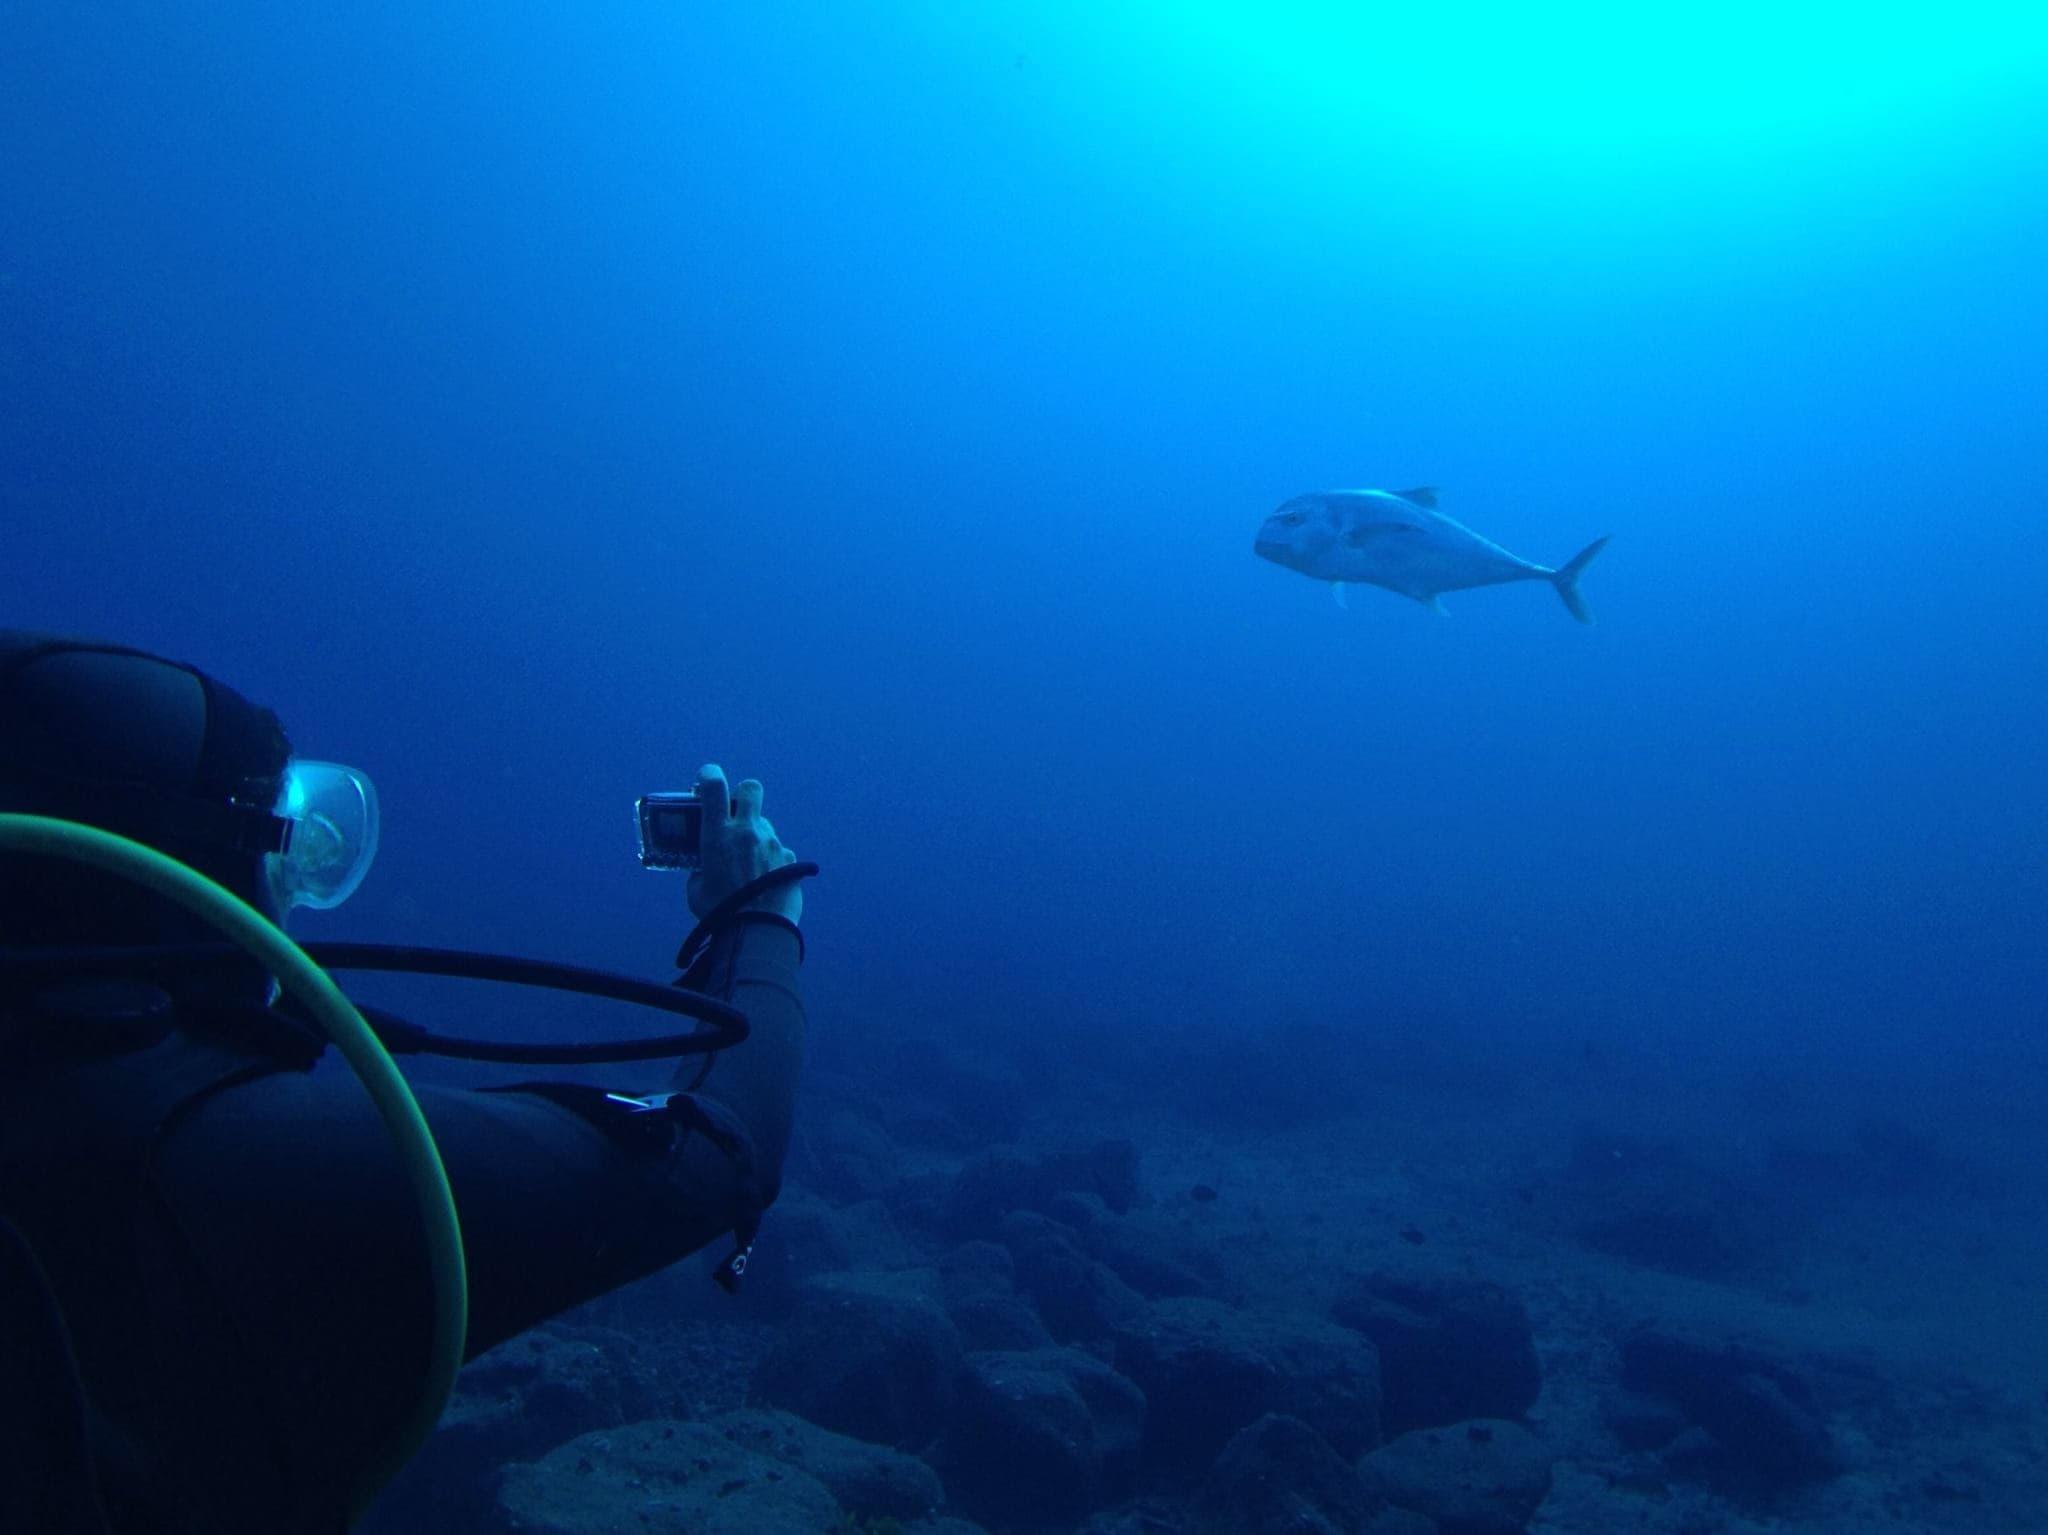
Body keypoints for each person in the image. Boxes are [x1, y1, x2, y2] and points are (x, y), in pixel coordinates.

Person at [0, 630, 808, 1533]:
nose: (299, 886)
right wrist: (758, 919)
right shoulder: (225, 1159)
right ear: (181, 866)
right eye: (291, 848)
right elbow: (718, 1152)